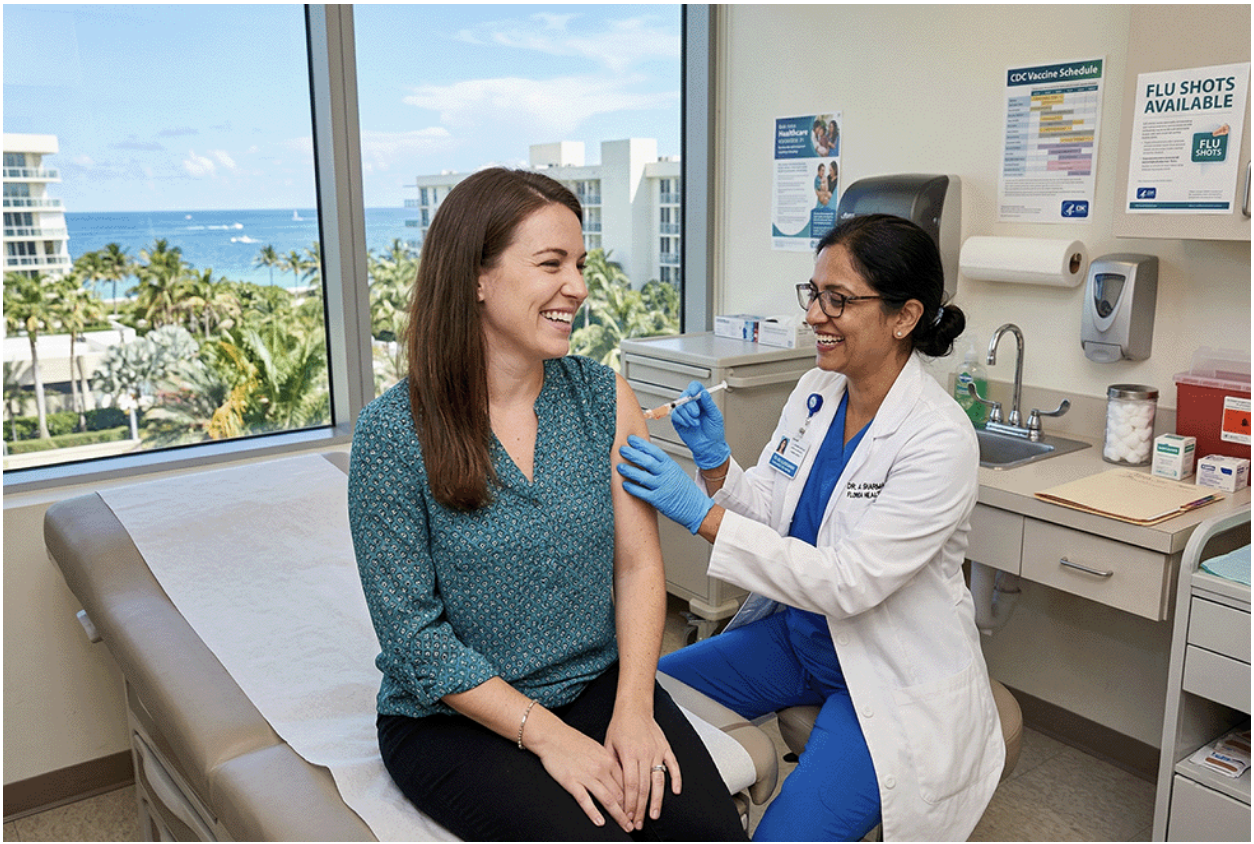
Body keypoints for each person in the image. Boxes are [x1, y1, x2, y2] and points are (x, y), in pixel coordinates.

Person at [348, 168, 746, 842]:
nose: (580, 288)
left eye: (581, 264)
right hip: (453, 720)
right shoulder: (394, 434)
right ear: (477, 276)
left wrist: (634, 707)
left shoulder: (602, 398)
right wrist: (550, 739)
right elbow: (416, 642)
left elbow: (637, 568)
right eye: (551, 264)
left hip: (597, 684)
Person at [617, 214, 1004, 842]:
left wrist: (701, 514)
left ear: (904, 317)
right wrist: (716, 465)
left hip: (882, 668)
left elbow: (847, 583)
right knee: (643, 701)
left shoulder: (938, 438)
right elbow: (773, 510)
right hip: (798, 639)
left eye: (839, 300)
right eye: (814, 294)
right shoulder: (817, 389)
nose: (815, 315)